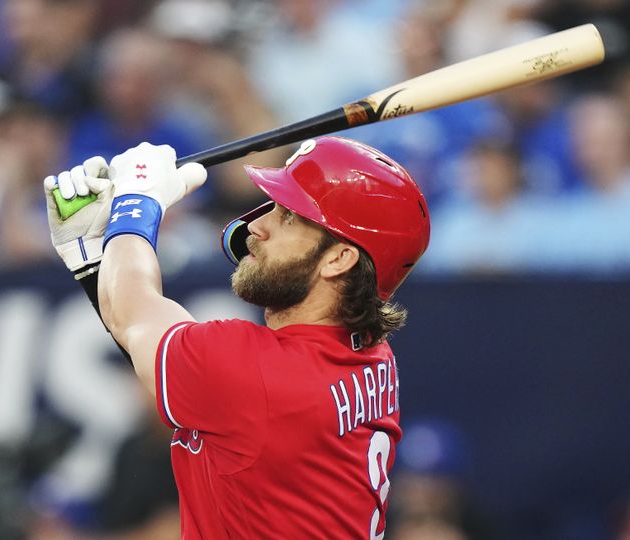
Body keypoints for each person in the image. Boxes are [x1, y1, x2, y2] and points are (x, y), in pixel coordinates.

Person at [43, 136, 431, 538]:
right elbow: (157, 351)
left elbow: (133, 310)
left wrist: (136, 204)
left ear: (339, 259)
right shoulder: (368, 351)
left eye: (288, 217)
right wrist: (97, 260)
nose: (257, 225)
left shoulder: (265, 375)